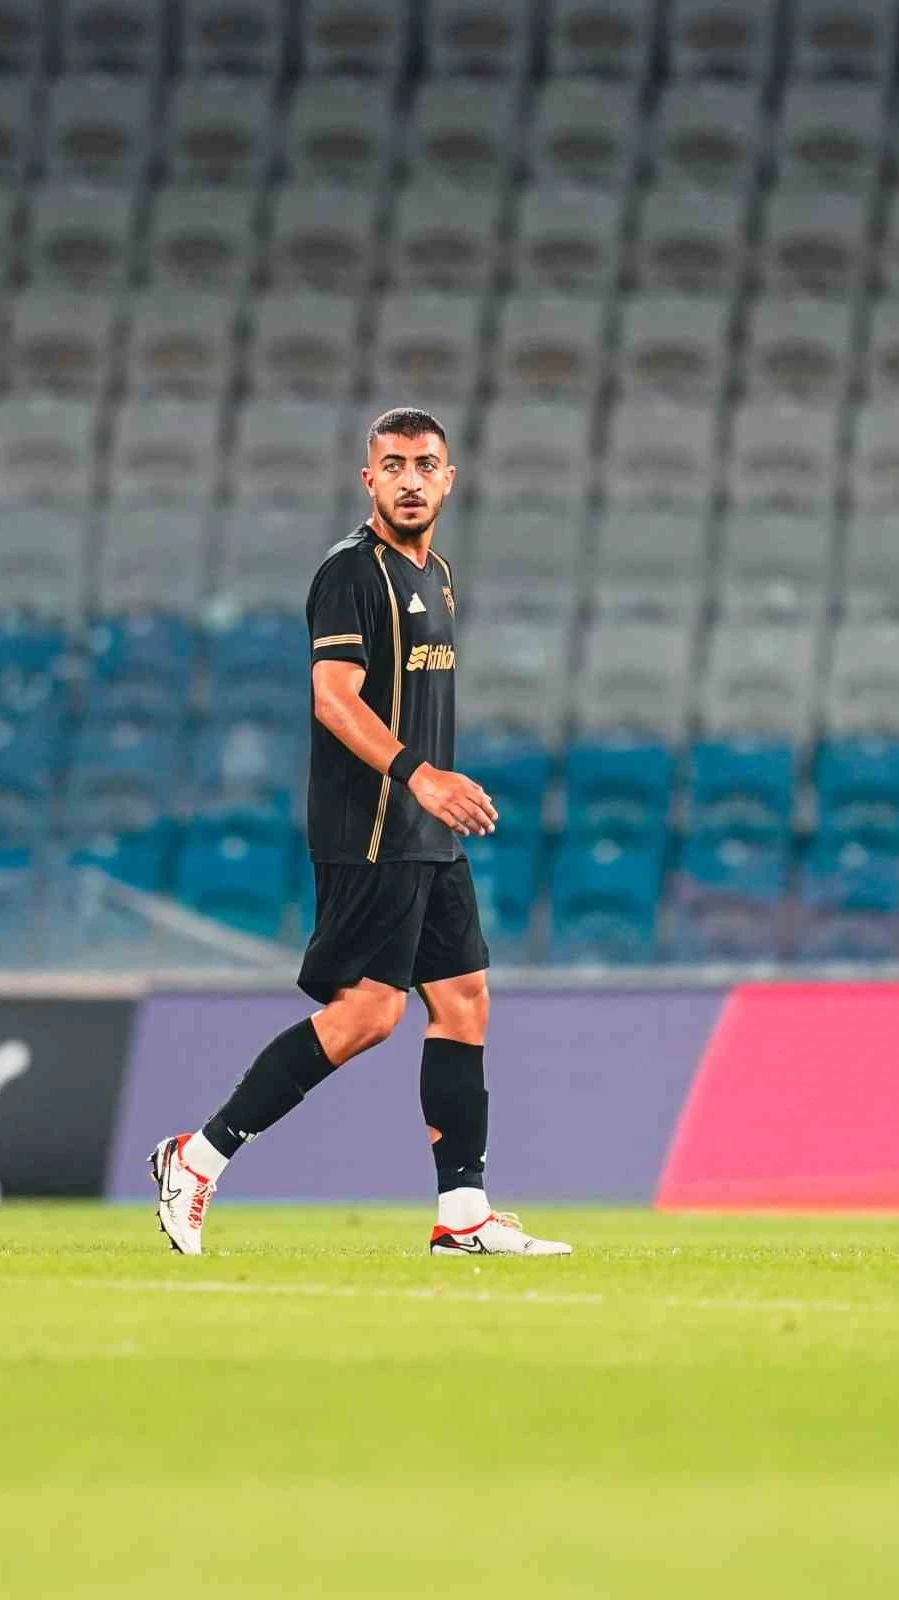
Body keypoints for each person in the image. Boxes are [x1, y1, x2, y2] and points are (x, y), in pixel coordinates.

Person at [149, 407, 571, 1258]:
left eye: (426, 464)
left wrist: (430, 791)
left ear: (449, 479)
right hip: (373, 825)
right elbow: (332, 699)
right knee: (369, 1014)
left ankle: (463, 1215)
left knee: (463, 997)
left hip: (426, 826)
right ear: (368, 479)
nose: (410, 480)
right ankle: (198, 1157)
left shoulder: (435, 573)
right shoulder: (350, 573)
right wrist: (422, 775)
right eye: (394, 465)